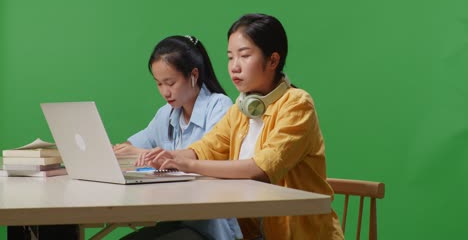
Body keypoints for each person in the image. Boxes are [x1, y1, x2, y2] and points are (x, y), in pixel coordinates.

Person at [140, 14, 345, 240]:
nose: (234, 67)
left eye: (244, 56)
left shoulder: (297, 104)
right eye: (230, 57)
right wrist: (167, 157)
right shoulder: (241, 109)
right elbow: (206, 148)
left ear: (273, 61)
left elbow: (261, 168)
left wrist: (188, 164)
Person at [115, 35, 243, 240]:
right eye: (159, 84)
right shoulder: (167, 113)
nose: (165, 92)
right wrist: (118, 150)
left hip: (211, 227)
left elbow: (212, 162)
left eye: (170, 82)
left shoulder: (220, 106)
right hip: (180, 220)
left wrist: (142, 154)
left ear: (193, 75)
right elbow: (135, 144)